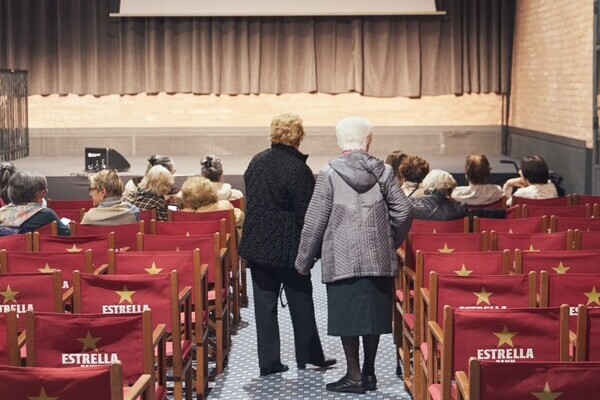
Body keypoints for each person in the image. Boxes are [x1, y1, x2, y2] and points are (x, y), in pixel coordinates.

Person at [296, 116, 413, 394]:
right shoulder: (384, 172)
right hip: (378, 260)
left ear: (340, 141)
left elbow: (315, 221)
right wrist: (388, 240)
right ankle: (370, 373)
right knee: (372, 316)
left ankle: (354, 374)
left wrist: (303, 261)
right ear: (368, 141)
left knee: (347, 316)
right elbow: (405, 211)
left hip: (341, 258)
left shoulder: (328, 174)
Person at [238, 113, 335, 377]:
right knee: (302, 301)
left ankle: (268, 363)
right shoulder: (298, 169)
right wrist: (314, 251)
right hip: (290, 249)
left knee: (264, 307)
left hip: (258, 247)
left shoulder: (256, 162)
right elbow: (308, 215)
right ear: (298, 136)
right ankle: (309, 355)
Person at [0, 171, 70, 235]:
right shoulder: (45, 214)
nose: (46, 191)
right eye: (44, 190)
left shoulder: (2, 212)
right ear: (38, 193)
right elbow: (68, 234)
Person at [179, 175, 244, 238]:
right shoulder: (225, 206)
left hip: (196, 247)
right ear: (212, 190)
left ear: (187, 199)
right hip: (224, 246)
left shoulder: (184, 215)